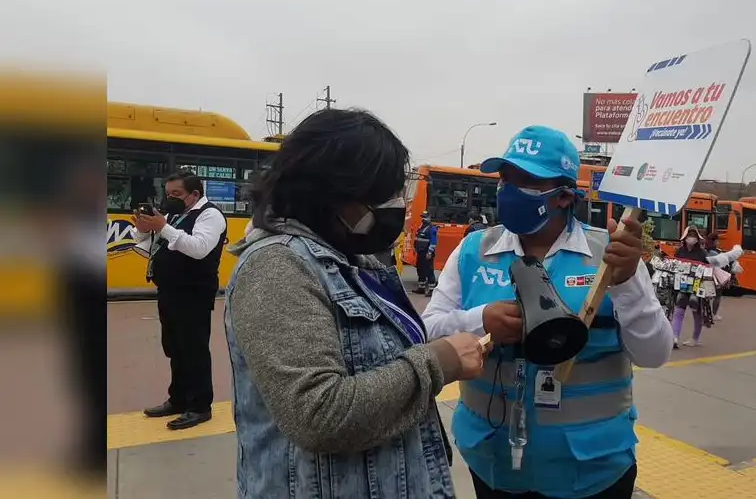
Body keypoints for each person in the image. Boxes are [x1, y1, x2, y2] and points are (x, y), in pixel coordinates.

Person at [225, 108, 489, 498]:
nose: (394, 206)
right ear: (327, 194)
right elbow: (317, 414)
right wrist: (438, 361)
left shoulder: (354, 260)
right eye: (378, 196)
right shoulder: (277, 266)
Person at [422, 125, 674, 499]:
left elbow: (655, 354)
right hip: (493, 465)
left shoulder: (612, 255)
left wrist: (626, 283)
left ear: (563, 196)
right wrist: (480, 320)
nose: (508, 189)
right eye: (505, 178)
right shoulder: (474, 250)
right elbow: (426, 331)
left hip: (592, 472)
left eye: (527, 181)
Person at [133, 169, 227, 430]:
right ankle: (178, 399)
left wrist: (164, 227)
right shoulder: (174, 215)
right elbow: (150, 249)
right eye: (167, 194)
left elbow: (198, 249)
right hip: (170, 291)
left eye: (177, 194)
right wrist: (143, 231)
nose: (170, 199)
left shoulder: (210, 215)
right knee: (174, 347)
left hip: (194, 293)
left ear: (195, 193)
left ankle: (199, 406)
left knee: (193, 349)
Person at [413, 211, 439, 295]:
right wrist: (415, 248)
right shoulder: (421, 227)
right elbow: (417, 238)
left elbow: (433, 242)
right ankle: (421, 287)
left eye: (425, 217)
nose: (423, 219)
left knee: (429, 270)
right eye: (422, 217)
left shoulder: (432, 228)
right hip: (420, 252)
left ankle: (432, 289)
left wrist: (429, 253)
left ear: (429, 218)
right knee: (420, 269)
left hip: (427, 253)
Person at [704, 232, 726, 321]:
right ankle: (714, 314)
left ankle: (706, 312)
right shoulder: (714, 252)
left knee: (708, 295)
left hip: (707, 275)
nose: (719, 242)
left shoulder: (706, 250)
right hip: (716, 275)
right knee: (717, 295)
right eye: (717, 240)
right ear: (714, 241)